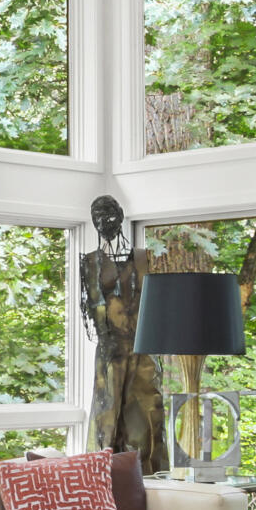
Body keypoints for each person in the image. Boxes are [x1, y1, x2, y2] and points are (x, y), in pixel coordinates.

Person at [76, 196, 163, 468]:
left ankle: (149, 480)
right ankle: (106, 480)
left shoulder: (144, 259)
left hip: (143, 351)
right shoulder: (89, 263)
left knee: (146, 419)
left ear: (122, 216)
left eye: (110, 216)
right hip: (110, 352)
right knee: (107, 421)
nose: (104, 224)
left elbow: (157, 309)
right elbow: (89, 317)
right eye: (98, 219)